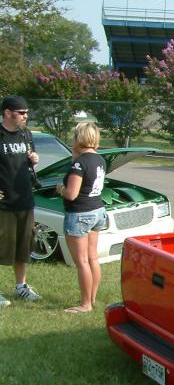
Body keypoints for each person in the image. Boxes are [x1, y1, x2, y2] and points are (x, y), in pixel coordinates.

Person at [56, 122, 106, 314]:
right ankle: (91, 298)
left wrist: (60, 189)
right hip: (97, 210)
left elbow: (71, 194)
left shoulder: (79, 164)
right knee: (93, 258)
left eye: (75, 136)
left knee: (82, 261)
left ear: (79, 138)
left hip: (79, 214)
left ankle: (85, 305)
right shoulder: (99, 159)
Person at [0, 95, 41, 309]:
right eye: (21, 113)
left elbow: (27, 161)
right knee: (1, 246)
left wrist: (34, 159)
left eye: (27, 112)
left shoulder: (26, 134)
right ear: (7, 112)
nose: (25, 116)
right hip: (3, 203)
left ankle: (21, 286)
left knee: (24, 246)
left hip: (25, 199)